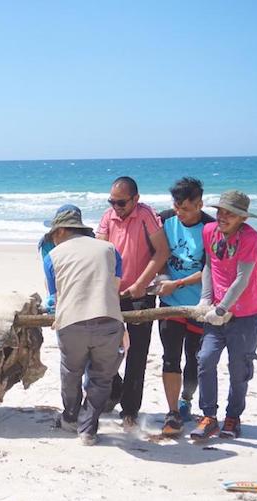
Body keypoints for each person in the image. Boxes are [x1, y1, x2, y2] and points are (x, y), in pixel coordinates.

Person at [45, 206, 125, 446]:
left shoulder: (53, 256)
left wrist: (54, 311)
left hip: (72, 322)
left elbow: (55, 297)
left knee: (72, 372)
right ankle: (88, 430)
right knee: (101, 378)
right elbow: (115, 287)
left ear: (60, 231)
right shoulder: (110, 249)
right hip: (109, 320)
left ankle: (70, 418)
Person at [97, 176, 170, 430]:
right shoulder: (108, 216)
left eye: (121, 202)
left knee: (137, 353)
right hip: (112, 294)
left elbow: (162, 252)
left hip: (141, 293)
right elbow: (99, 251)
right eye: (112, 201)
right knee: (104, 349)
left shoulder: (146, 215)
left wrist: (141, 284)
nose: (116, 207)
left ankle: (130, 410)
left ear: (135, 199)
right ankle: (113, 391)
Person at [190, 190, 257, 440]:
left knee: (238, 368)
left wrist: (223, 308)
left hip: (246, 315)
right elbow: (209, 266)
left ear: (242, 218)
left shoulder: (251, 239)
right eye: (220, 211)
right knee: (205, 359)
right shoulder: (209, 230)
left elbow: (242, 279)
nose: (222, 216)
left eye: (230, 213)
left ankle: (233, 417)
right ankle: (209, 416)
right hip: (216, 312)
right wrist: (205, 299)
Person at [157, 177, 214, 435]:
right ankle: (171, 412)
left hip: (199, 305)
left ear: (200, 203)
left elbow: (211, 270)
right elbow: (156, 254)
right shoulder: (165, 219)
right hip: (169, 303)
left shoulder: (211, 228)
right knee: (170, 357)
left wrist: (177, 283)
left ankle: (186, 400)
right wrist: (163, 278)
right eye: (177, 207)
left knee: (194, 358)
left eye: (187, 208)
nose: (180, 213)